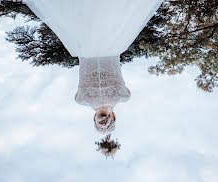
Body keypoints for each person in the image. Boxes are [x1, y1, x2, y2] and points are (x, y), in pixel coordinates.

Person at [24, 0, 163, 130]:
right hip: (85, 49)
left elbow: (126, 92)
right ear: (94, 118)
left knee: (110, 16)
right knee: (84, 18)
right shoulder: (81, 99)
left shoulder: (123, 96)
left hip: (112, 47)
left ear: (114, 116)